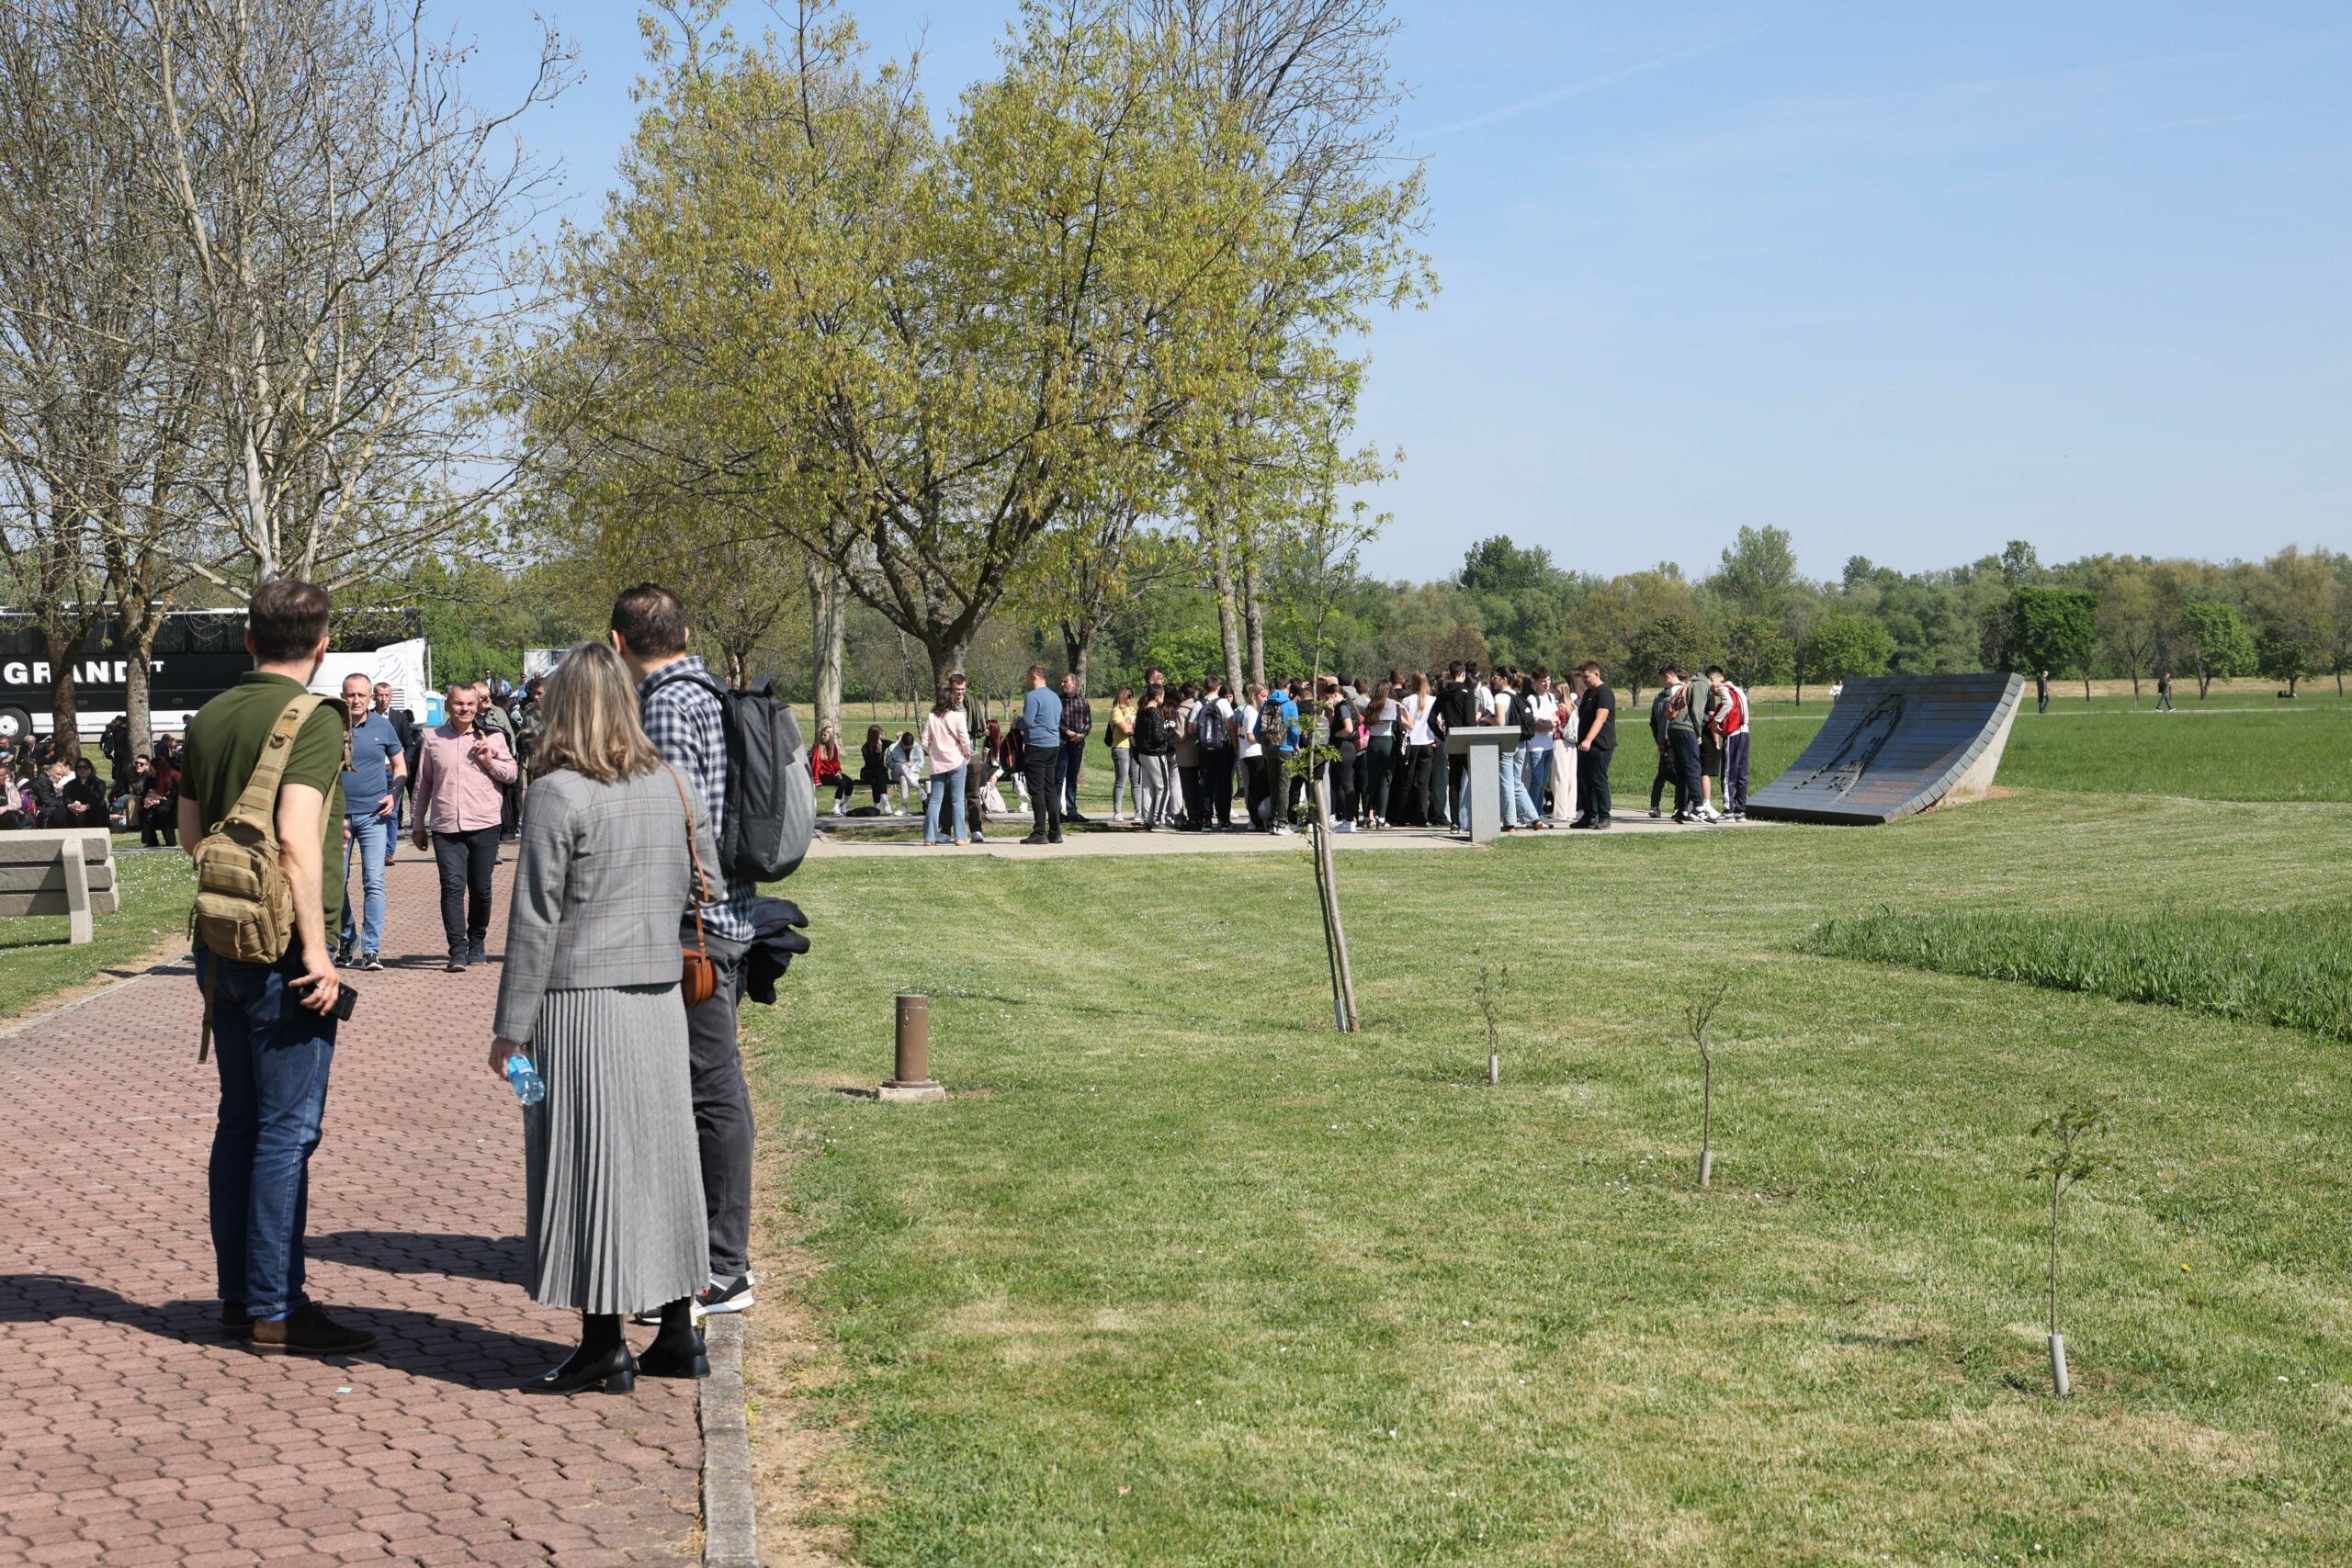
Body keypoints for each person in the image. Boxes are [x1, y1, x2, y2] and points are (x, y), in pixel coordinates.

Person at [490, 639, 717, 1395]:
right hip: (658, 1002)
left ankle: (602, 1342)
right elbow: (707, 880)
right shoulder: (671, 783)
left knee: (579, 1158)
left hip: (576, 1008)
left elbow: (533, 923)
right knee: (662, 1161)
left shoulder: (558, 792)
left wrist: (508, 1032)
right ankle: (679, 1332)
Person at [175, 577, 373, 1356]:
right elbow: (296, 837)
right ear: (322, 647)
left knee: (241, 1121)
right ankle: (276, 1308)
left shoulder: (213, 713)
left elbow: (194, 836)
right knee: (287, 1132)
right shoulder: (315, 717)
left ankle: (239, 1295)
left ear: (249, 640)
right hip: (287, 951)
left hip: (220, 944)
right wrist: (320, 953)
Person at [610, 583, 763, 1319]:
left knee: (708, 1089)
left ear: (617, 645)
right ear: (687, 629)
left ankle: (723, 1266)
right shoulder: (705, 690)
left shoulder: (667, 703)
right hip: (714, 915)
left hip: (693, 928)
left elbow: (675, 817)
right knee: (706, 1087)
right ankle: (703, 1252)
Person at [412, 682, 517, 971]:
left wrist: (489, 760)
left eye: (470, 704)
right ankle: (457, 949)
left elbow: (511, 774)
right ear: (448, 705)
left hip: (484, 824)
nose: (465, 709)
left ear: (478, 705)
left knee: (481, 889)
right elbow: (423, 784)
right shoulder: (433, 740)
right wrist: (418, 824)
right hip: (446, 826)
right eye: (459, 704)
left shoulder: (493, 738)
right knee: (452, 887)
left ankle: (477, 940)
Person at [335, 673, 405, 970]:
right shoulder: (331, 726)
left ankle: (371, 950)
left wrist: (394, 794)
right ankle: (347, 938)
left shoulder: (382, 725)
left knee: (373, 882)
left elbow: (401, 765)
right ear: (343, 696)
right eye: (351, 695)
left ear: (370, 697)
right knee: (335, 883)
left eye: (361, 695)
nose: (356, 700)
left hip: (374, 816)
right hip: (338, 819)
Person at [920, 690, 973, 846]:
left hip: (937, 763)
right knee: (957, 799)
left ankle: (929, 838)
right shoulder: (958, 716)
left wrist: (933, 752)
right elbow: (964, 739)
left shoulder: (931, 717)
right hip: (956, 761)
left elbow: (924, 741)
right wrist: (966, 753)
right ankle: (960, 837)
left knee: (935, 800)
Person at [1573, 660, 1616, 829]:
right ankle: (1590, 816)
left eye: (1587, 677)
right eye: (1582, 677)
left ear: (1596, 674)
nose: (1584, 680)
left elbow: (1601, 718)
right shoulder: (1589, 693)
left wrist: (1589, 740)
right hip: (1584, 745)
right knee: (1586, 781)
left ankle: (1605, 816)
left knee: (1598, 781)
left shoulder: (1604, 693)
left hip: (1599, 745)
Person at [1707, 666, 1751, 821]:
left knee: (1728, 773)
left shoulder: (1723, 689)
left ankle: (1728, 810)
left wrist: (1715, 723)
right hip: (1745, 733)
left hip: (1732, 735)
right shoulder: (1738, 690)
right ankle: (1741, 810)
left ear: (1713, 678)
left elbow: (1728, 705)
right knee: (1742, 774)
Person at [1193, 678, 1235, 831]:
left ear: (1204, 688)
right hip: (1221, 748)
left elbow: (1191, 728)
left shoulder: (1199, 704)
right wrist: (1235, 747)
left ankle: (1206, 821)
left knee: (1206, 784)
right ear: (1218, 688)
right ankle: (1223, 820)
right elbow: (1231, 726)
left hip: (1204, 750)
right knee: (1223, 784)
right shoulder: (1223, 703)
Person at [1131, 683, 1173, 830]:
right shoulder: (1155, 713)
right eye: (1163, 696)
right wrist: (1169, 730)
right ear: (1158, 697)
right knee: (1164, 787)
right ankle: (1157, 819)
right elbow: (1159, 736)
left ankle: (1148, 819)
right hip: (1155, 753)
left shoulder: (1141, 711)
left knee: (1148, 787)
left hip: (1142, 753)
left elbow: (1136, 733)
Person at [1057, 671, 1092, 823]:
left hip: (1077, 746)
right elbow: (1056, 721)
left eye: (1065, 681)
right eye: (1062, 682)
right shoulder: (1058, 701)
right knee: (1058, 779)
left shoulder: (1083, 702)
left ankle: (1072, 811)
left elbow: (1088, 722)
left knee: (1072, 779)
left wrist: (1082, 734)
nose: (1062, 684)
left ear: (1074, 683)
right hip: (1062, 745)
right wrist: (1068, 732)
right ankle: (1056, 812)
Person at [1105, 687, 1136, 820]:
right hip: (1121, 747)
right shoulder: (1116, 711)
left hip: (1134, 747)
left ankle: (1138, 811)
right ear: (1123, 696)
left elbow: (1134, 727)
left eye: (1132, 695)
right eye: (1129, 695)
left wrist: (1133, 727)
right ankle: (1117, 812)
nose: (1131, 698)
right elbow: (1125, 730)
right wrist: (1134, 727)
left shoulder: (1133, 710)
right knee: (1121, 780)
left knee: (1136, 781)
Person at [884, 729, 923, 815]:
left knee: (903, 778)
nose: (907, 748)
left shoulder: (917, 746)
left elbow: (920, 762)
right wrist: (902, 765)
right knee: (903, 767)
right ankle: (919, 789)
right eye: (905, 747)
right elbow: (888, 763)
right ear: (901, 742)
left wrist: (910, 768)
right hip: (896, 772)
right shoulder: (893, 747)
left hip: (913, 773)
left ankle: (904, 807)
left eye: (910, 747)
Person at [811, 727, 849, 814]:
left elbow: (835, 762)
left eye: (825, 735)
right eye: (821, 735)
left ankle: (845, 806)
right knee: (842, 783)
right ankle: (836, 808)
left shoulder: (833, 747)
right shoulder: (818, 748)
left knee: (849, 782)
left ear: (830, 736)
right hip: (822, 775)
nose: (822, 737)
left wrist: (838, 772)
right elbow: (815, 765)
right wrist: (816, 779)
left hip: (831, 773)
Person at [856, 726, 889, 810]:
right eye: (880, 734)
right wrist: (877, 751)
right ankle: (886, 804)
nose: (881, 736)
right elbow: (870, 763)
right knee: (878, 774)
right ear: (874, 736)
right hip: (868, 772)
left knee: (876, 780)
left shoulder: (883, 743)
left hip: (880, 774)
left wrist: (899, 739)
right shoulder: (865, 747)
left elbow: (895, 745)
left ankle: (877, 805)